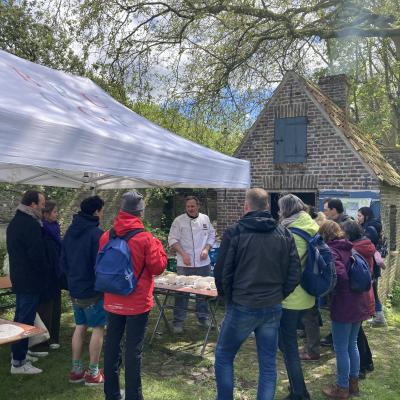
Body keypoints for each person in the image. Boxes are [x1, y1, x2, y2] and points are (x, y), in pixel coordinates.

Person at [214, 188, 301, 400]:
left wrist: (227, 298)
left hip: (244, 303)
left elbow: (222, 271)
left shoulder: (235, 232)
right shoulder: (284, 233)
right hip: (271, 305)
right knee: (268, 362)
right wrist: (280, 294)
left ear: (246, 206)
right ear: (268, 207)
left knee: (224, 356)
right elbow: (295, 272)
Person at [101, 191, 167, 400]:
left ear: (121, 210)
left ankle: (111, 393)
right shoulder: (146, 239)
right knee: (133, 350)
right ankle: (133, 396)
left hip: (112, 299)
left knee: (111, 346)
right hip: (137, 302)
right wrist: (160, 248)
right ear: (141, 213)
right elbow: (158, 268)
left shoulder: (106, 235)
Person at [320, 221, 370, 399]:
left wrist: (328, 286)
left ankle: (342, 388)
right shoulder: (350, 247)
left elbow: (340, 276)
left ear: (325, 235)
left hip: (344, 304)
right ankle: (353, 385)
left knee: (341, 347)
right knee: (352, 345)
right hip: (359, 301)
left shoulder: (332, 250)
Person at [278, 194, 319, 400]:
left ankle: (299, 392)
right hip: (309, 294)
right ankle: (298, 388)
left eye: (279, 209)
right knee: (288, 344)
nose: (278, 213)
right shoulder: (312, 225)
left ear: (285, 210)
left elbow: (284, 266)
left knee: (287, 345)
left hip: (292, 296)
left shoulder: (290, 232)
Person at [62, 195, 106, 385]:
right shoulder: (97, 234)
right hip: (92, 290)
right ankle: (93, 373)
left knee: (80, 327)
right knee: (98, 328)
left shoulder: (70, 231)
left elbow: (62, 260)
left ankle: (76, 370)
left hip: (75, 287)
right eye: (102, 210)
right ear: (96, 212)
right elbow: (101, 264)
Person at [7, 190, 47, 374]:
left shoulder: (16, 222)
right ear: (33, 205)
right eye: (42, 204)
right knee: (24, 318)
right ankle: (18, 362)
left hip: (21, 277)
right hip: (29, 279)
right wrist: (45, 270)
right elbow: (36, 255)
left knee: (23, 317)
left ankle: (21, 352)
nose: (43, 208)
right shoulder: (29, 224)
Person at [168, 195, 215, 333]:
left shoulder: (205, 219)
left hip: (203, 263)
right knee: (182, 293)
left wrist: (206, 249)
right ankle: (178, 322)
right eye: (188, 206)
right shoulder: (179, 221)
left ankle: (203, 318)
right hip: (185, 263)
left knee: (203, 293)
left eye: (193, 206)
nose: (190, 209)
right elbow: (172, 239)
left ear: (198, 206)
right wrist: (183, 254)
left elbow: (212, 235)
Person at [342, 220, 375, 380]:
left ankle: (361, 367)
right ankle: (367, 362)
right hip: (365, 295)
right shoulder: (365, 245)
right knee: (358, 334)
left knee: (356, 337)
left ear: (348, 235)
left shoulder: (354, 250)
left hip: (358, 296)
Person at [30, 200, 63, 354]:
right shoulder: (43, 231)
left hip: (55, 275)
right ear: (46, 214)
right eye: (55, 212)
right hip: (47, 276)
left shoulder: (55, 229)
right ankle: (44, 339)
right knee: (45, 308)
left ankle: (54, 338)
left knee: (56, 307)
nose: (57, 214)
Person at [357, 207, 387, 327]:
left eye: (359, 216)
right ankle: (378, 316)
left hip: (371, 265)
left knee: (372, 290)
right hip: (372, 265)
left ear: (366, 216)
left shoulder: (370, 228)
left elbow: (367, 246)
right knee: (373, 290)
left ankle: (379, 317)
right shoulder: (374, 225)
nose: (357, 218)